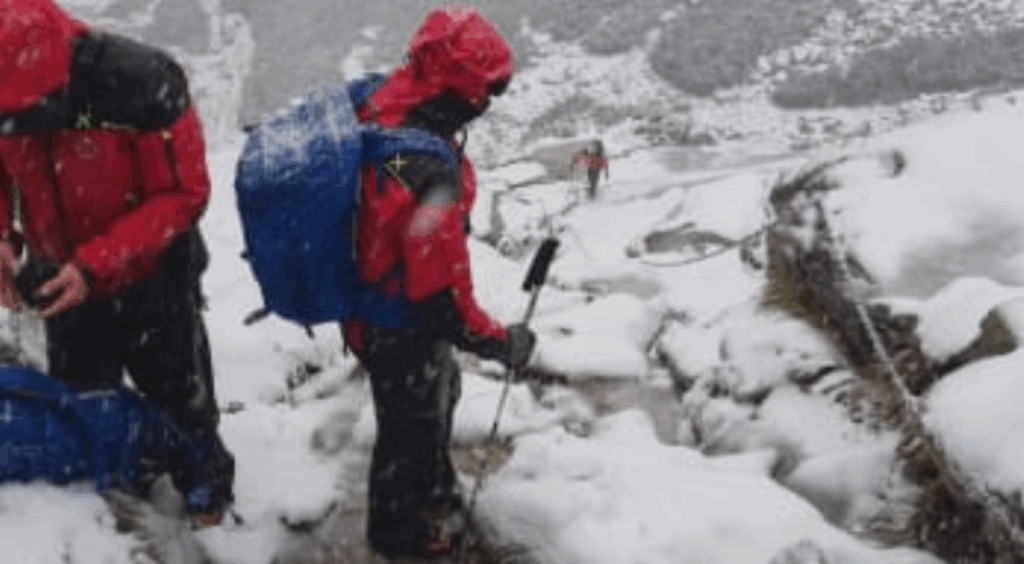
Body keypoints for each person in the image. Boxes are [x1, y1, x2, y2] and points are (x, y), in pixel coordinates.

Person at [0, 0, 233, 525]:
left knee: (181, 394)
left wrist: (95, 265)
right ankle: (125, 482)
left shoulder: (141, 83)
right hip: (58, 272)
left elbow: (182, 193)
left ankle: (207, 489)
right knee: (83, 397)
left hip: (151, 271)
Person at [339, 5, 537, 562]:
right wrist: (503, 343)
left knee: (435, 396)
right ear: (461, 87)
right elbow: (441, 298)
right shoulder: (430, 174)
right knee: (408, 430)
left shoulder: (385, 100)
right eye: (485, 90)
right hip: (398, 324)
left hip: (364, 301)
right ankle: (400, 540)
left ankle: (429, 487)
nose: (487, 102)